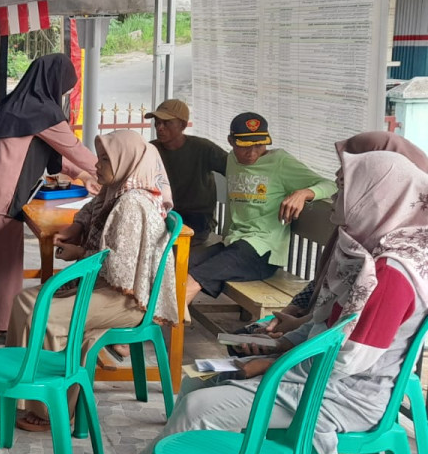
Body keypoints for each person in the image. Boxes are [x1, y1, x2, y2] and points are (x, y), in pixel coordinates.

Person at [76, 150, 428, 454]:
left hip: (340, 395)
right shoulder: (373, 252)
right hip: (316, 375)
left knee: (199, 409)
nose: (334, 199)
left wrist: (271, 362)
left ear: (373, 197)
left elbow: (347, 359)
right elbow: (330, 324)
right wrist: (285, 337)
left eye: (343, 190)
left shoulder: (392, 274)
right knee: (198, 385)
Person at [8, 130, 178, 431]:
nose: (96, 165)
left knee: (45, 315)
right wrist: (77, 228)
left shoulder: (132, 204)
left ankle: (53, 410)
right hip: (109, 287)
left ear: (125, 161)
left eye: (104, 160)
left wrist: (79, 252)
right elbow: (91, 210)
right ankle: (22, 390)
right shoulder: (116, 191)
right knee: (25, 300)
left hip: (127, 299)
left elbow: (115, 269)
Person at [0, 53, 99, 345]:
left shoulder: (12, 103)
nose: (62, 94)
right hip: (1, 193)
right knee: (5, 261)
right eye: (63, 87)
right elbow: (73, 149)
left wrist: (83, 177)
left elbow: (53, 155)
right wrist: (111, 169)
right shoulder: (43, 112)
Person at [252, 132, 428, 340]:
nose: (341, 172)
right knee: (245, 340)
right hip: (314, 330)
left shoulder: (393, 263)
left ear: (380, 178)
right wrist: (292, 311)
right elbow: (324, 281)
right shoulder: (355, 229)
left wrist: (291, 338)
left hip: (328, 345)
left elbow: (351, 347)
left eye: (356, 165)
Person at [184, 113, 335, 305]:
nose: (252, 153)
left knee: (194, 279)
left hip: (262, 252)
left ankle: (167, 327)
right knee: (181, 266)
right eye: (245, 146)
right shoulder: (231, 160)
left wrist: (304, 193)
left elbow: (332, 185)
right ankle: (175, 319)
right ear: (230, 141)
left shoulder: (280, 162)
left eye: (259, 145)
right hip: (234, 243)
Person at [145, 99, 227, 243]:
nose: (160, 127)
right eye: (157, 122)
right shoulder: (151, 150)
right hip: (163, 215)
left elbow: (234, 168)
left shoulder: (203, 148)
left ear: (182, 125)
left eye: (166, 122)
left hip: (197, 221)